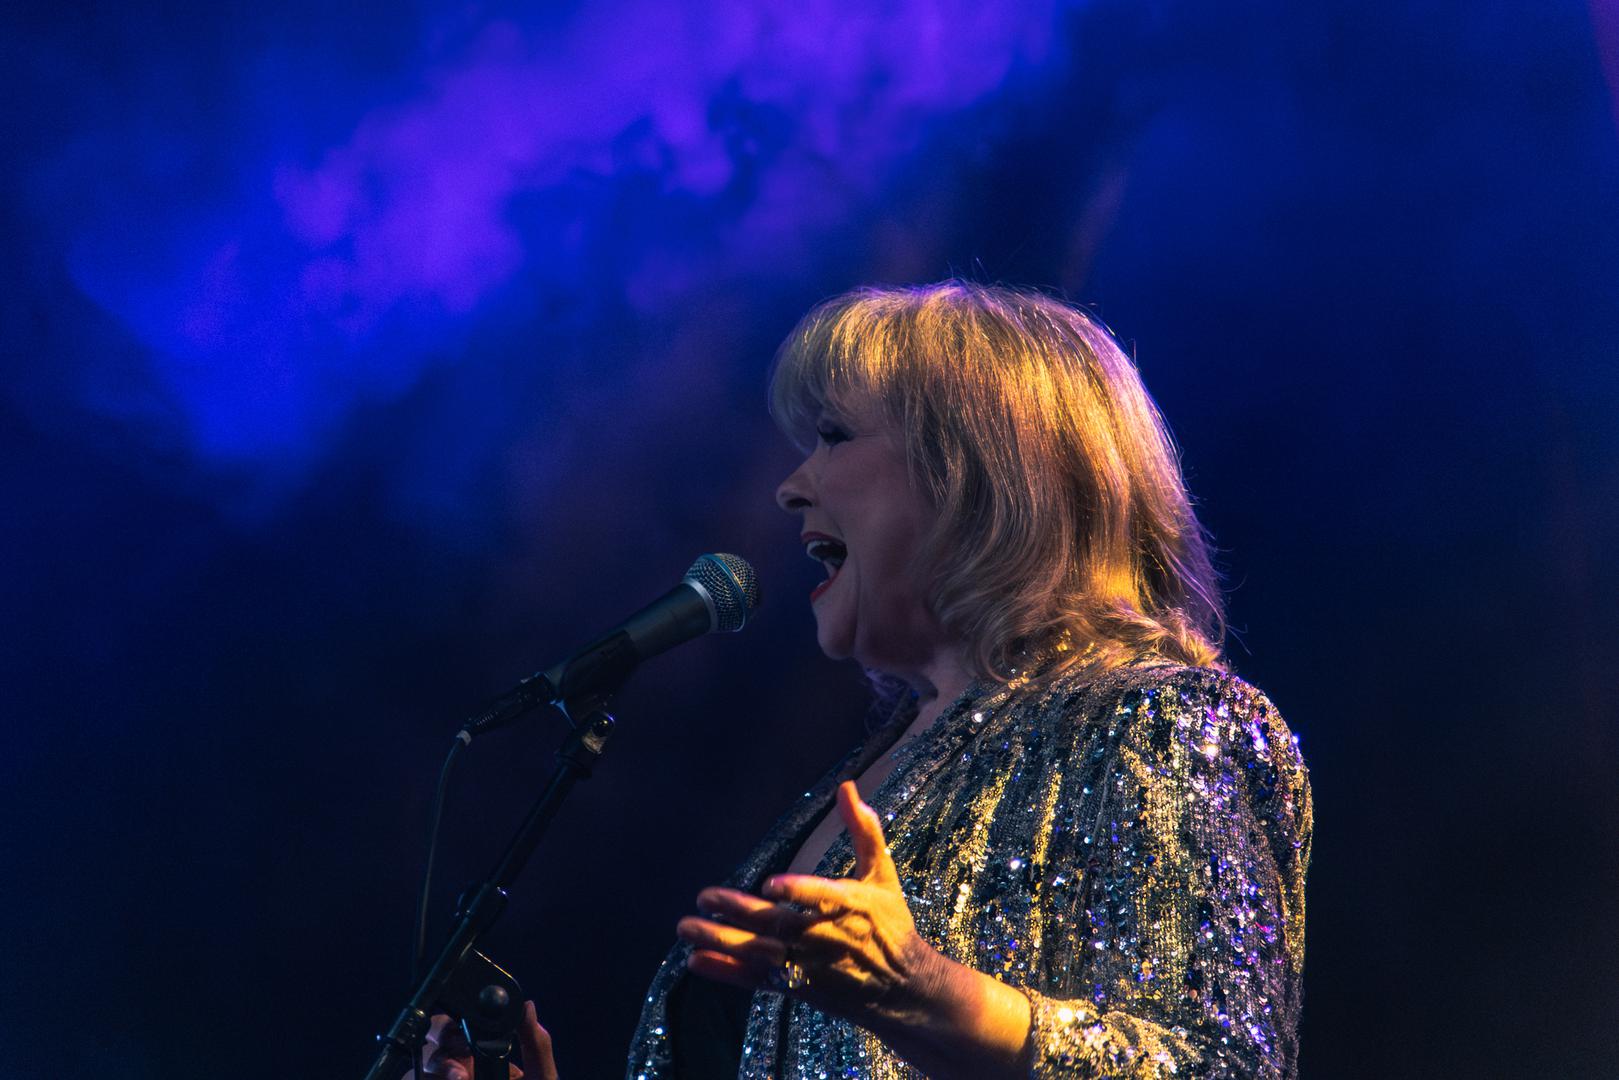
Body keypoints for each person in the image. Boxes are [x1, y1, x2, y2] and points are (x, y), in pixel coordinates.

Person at [428, 281, 1312, 1079]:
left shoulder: (1161, 721)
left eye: (833, 435)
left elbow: (1219, 1066)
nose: (789, 488)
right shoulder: (886, 762)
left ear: (978, 470)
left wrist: (924, 989)